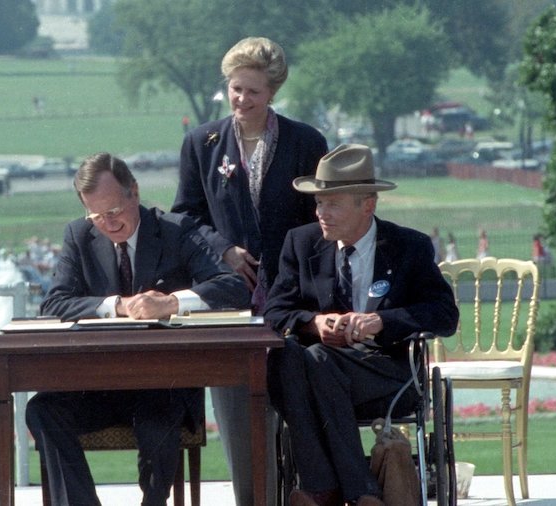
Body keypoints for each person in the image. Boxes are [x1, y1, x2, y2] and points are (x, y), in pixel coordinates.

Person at [26, 152, 250, 506]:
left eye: (114, 212)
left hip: (165, 383)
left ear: (135, 192)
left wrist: (171, 303)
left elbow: (233, 287)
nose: (109, 224)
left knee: (158, 420)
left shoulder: (175, 230)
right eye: (97, 216)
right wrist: (115, 305)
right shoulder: (79, 235)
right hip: (99, 386)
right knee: (42, 410)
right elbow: (54, 303)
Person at [170, 36, 328, 505]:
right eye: (235, 89)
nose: (241, 100)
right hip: (229, 302)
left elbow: (320, 218)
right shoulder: (202, 143)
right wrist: (224, 251)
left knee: (296, 408)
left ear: (272, 93)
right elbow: (186, 217)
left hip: (293, 297)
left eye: (252, 92)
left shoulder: (306, 142)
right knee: (239, 418)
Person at [264, 144, 459, 506]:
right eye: (319, 202)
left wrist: (380, 321)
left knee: (316, 361)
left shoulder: (408, 247)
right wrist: (315, 322)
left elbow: (444, 315)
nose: (321, 212)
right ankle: (352, 491)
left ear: (367, 204)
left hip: (385, 372)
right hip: (318, 370)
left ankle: (326, 491)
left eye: (333, 203)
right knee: (286, 357)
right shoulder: (301, 243)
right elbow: (275, 311)